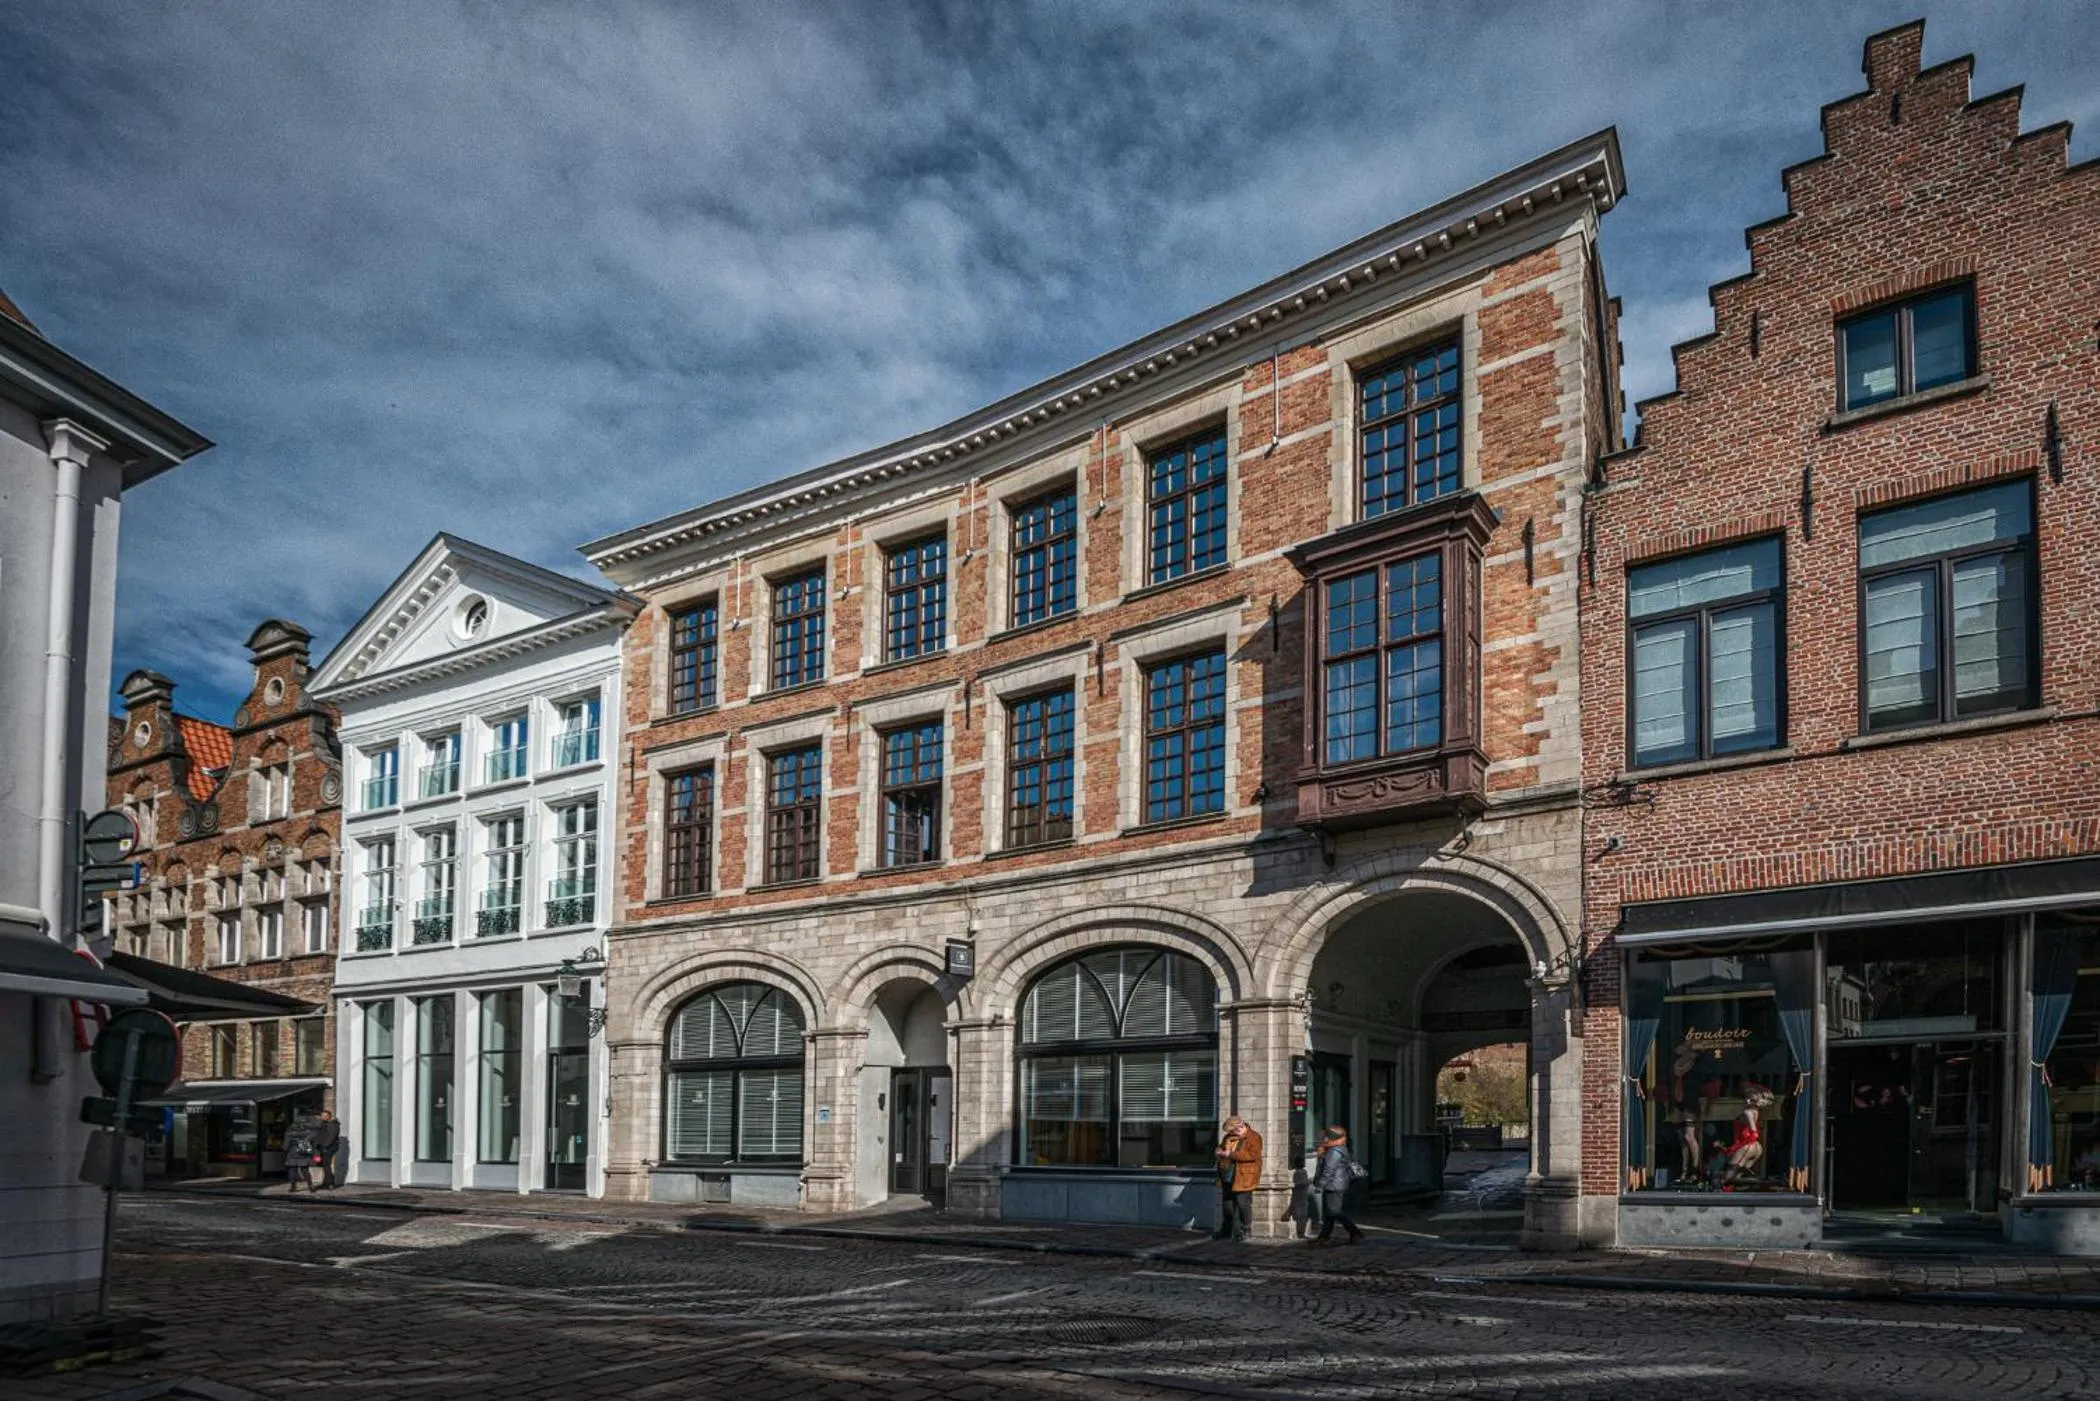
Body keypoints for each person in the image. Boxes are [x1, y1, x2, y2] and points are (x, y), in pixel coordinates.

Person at [1212, 1114, 1262, 1241]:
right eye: (1229, 1132)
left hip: (1244, 1176)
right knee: (1227, 1205)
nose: (1230, 1134)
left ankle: (1245, 1230)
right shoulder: (1228, 1137)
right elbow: (1222, 1146)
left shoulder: (1254, 1137)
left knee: (1243, 1204)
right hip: (1227, 1174)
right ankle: (1226, 1231)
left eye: (1232, 1131)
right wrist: (1218, 1151)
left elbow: (1253, 1155)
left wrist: (1230, 1154)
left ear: (1239, 1127)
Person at [1311, 1125, 1364, 1246]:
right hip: (1336, 1183)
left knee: (1334, 1212)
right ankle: (1324, 1237)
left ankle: (1355, 1231)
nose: (1323, 1138)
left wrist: (1320, 1185)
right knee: (1329, 1213)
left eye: (1325, 1136)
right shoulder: (1338, 1147)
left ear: (1331, 1137)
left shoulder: (1334, 1151)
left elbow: (1329, 1170)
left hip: (1334, 1185)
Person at [312, 1109, 342, 1190]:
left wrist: (325, 1146)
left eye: (325, 1115)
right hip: (322, 1147)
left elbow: (331, 1137)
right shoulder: (324, 1123)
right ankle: (326, 1182)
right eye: (322, 1115)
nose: (323, 1117)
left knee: (326, 1165)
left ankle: (330, 1183)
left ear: (329, 1116)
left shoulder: (333, 1125)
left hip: (328, 1148)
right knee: (323, 1165)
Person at [282, 1120, 316, 1194]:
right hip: (304, 1154)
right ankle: (311, 1186)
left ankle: (293, 1187)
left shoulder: (289, 1134)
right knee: (305, 1171)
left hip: (292, 1155)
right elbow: (313, 1140)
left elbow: (285, 1147)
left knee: (292, 1171)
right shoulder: (308, 1133)